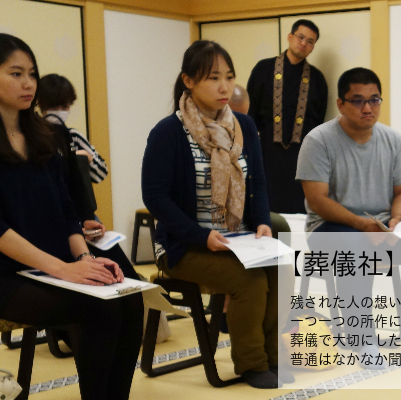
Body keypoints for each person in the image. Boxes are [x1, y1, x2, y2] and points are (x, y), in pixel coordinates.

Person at [0, 33, 142, 400]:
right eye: (16, 74)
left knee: (130, 299)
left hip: (44, 265)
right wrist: (62, 269)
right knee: (98, 307)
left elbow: (66, 209)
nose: (28, 83)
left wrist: (84, 258)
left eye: (32, 74)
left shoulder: (44, 134)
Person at [141, 40, 283, 388]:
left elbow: (258, 182)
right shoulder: (168, 133)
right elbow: (155, 197)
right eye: (213, 78)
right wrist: (200, 236)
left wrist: (262, 223)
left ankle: (274, 357)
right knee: (249, 280)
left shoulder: (243, 125)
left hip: (238, 237)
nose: (224, 87)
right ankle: (252, 363)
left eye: (229, 77)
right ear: (188, 81)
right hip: (184, 245)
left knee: (281, 268)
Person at [297, 67, 401, 369]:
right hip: (330, 228)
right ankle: (364, 342)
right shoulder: (318, 140)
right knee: (355, 250)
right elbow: (317, 200)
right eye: (358, 101)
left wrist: (396, 221)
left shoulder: (393, 140)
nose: (368, 108)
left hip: (382, 225)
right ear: (341, 103)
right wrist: (362, 225)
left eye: (374, 99)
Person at [37, 73, 138, 279]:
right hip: (51, 216)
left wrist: (85, 158)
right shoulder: (34, 138)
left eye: (65, 106)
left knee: (114, 258)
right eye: (55, 106)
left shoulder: (73, 136)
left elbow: (101, 173)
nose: (61, 111)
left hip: (80, 213)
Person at [246, 19, 329, 214]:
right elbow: (250, 114)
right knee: (266, 210)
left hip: (301, 159)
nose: (303, 43)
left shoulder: (317, 79)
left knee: (297, 212)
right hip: (266, 154)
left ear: (313, 47)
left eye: (310, 41)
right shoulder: (263, 69)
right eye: (301, 37)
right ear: (290, 37)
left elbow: (318, 125)